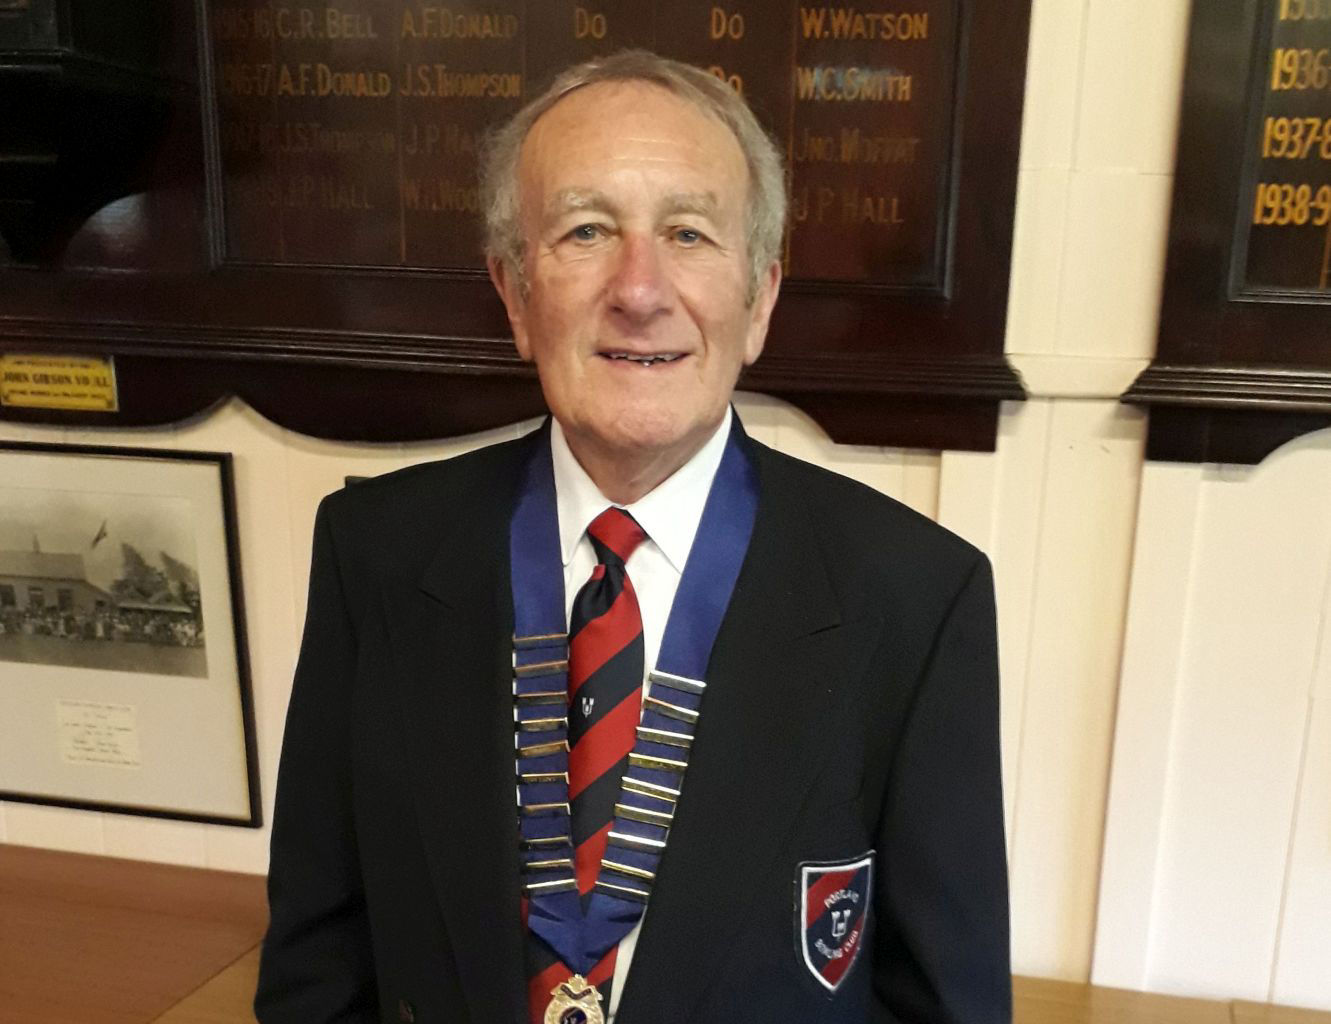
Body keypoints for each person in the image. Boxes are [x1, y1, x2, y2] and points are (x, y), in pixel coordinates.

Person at [255, 50, 1010, 1024]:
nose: (639, 290)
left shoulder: (915, 595)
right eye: (585, 230)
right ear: (515, 294)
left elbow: (945, 1004)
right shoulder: (375, 552)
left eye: (688, 233)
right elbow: (317, 964)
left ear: (759, 299)